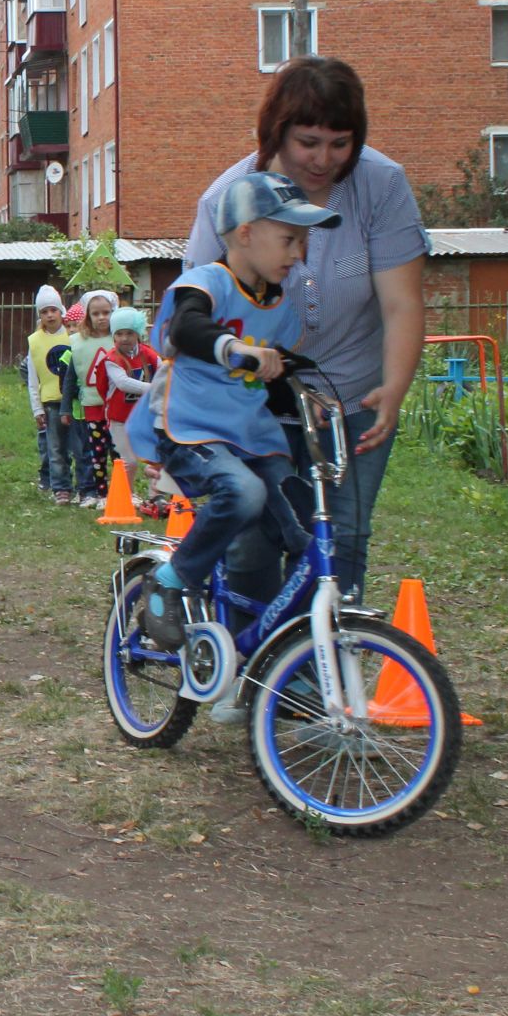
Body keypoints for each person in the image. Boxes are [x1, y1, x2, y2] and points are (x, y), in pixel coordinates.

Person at [185, 55, 427, 602]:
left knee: (341, 541)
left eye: (340, 143)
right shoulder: (228, 201)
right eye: (309, 142)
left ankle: (318, 681)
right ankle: (250, 676)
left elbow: (402, 304)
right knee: (253, 540)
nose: (324, 159)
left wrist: (393, 388)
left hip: (354, 398)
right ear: (278, 134)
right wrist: (274, 388)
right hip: (253, 401)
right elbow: (203, 321)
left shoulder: (382, 187)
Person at [128, 173, 341, 679]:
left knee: (302, 532)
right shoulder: (207, 283)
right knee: (243, 494)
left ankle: (274, 663)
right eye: (290, 239)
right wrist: (235, 349)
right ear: (246, 233)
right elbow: (188, 328)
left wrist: (306, 395)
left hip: (252, 438)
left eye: (304, 241)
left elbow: (271, 378)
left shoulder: (281, 309)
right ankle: (172, 580)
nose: (299, 252)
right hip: (190, 428)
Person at [96, 306, 163, 505]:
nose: (124, 338)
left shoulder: (149, 355)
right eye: (120, 334)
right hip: (119, 418)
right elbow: (124, 383)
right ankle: (125, 496)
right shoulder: (111, 359)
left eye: (129, 333)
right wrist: (154, 388)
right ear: (114, 336)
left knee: (155, 457)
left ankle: (156, 496)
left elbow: (163, 370)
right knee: (130, 461)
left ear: (138, 333)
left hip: (145, 415)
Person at [63, 289, 118, 506]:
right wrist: (65, 409)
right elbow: (69, 379)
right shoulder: (77, 342)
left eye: (106, 312)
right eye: (96, 313)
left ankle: (124, 491)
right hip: (92, 406)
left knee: (119, 452)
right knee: (96, 453)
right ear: (88, 316)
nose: (101, 317)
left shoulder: (120, 338)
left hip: (119, 408)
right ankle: (98, 493)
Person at [23, 286, 77, 503]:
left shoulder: (73, 336)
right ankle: (61, 487)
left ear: (61, 311)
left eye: (53, 310)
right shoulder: (34, 341)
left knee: (79, 447)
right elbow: (32, 379)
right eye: (44, 311)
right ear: (40, 315)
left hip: (75, 401)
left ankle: (83, 486)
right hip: (51, 401)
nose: (50, 315)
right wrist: (37, 408)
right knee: (55, 448)